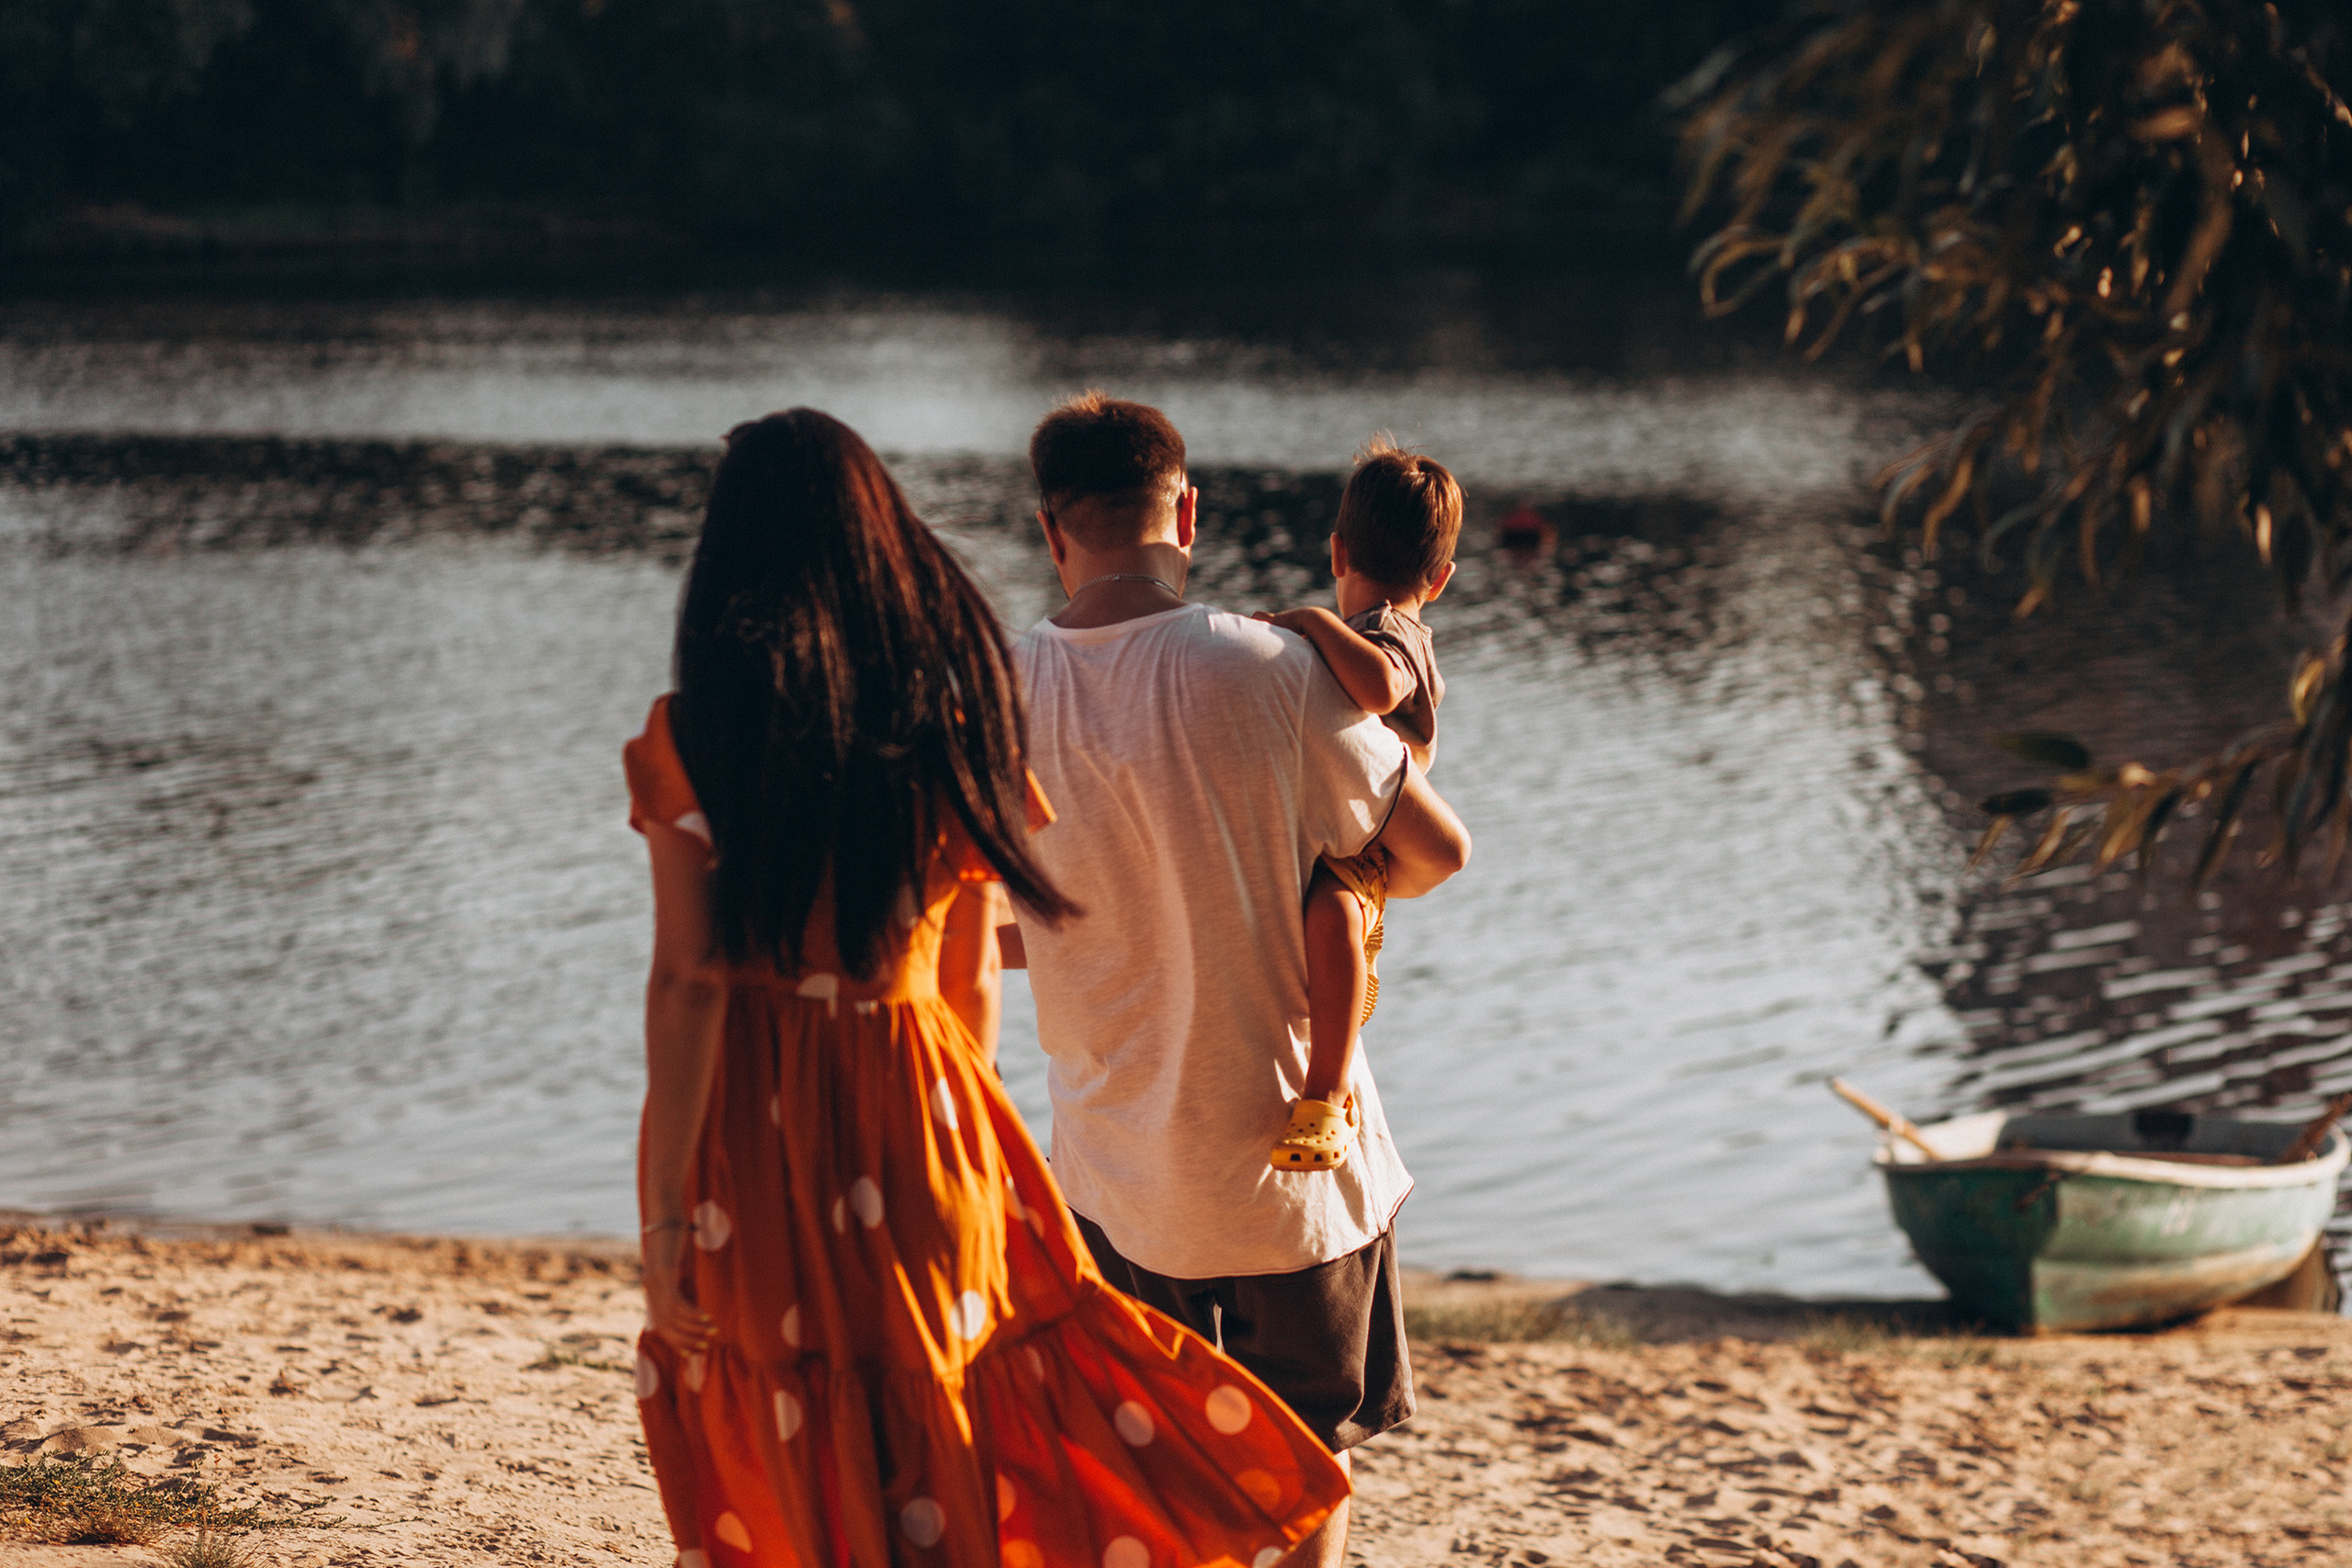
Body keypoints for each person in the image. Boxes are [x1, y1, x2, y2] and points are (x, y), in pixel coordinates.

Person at [625, 409, 1350, 1568]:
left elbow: (689, 984)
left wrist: (664, 1215)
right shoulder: (948, 725)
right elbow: (966, 989)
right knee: (951, 1394)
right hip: (928, 1114)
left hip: (757, 1145)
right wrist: (978, 1153)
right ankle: (1258, 1503)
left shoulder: (691, 738)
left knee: (784, 1403)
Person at [1006, 394, 1473, 1568]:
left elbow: (989, 918)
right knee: (1308, 1463)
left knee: (1148, 1458)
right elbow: (1429, 852)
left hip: (1113, 1167)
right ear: (1190, 514)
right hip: (1293, 1168)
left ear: (1052, 530)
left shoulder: (998, 689)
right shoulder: (1270, 668)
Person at [1251, 437, 1462, 1173]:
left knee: (1331, 910)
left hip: (1367, 840)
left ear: (1337, 552)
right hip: (1346, 821)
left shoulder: (1390, 631)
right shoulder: (1373, 629)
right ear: (1440, 577)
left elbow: (1376, 689)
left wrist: (1311, 621)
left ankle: (1327, 1093)